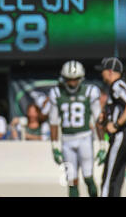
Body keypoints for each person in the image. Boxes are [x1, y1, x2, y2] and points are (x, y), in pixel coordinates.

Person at [46, 60, 104, 197]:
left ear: (81, 78)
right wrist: (54, 145)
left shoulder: (90, 91)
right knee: (71, 180)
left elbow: (98, 119)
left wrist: (103, 144)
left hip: (84, 137)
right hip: (66, 140)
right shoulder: (56, 93)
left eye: (75, 79)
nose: (72, 83)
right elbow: (53, 121)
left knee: (88, 177)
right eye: (69, 79)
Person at [96, 57, 126, 197]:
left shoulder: (117, 85)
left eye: (103, 71)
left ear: (110, 71)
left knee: (109, 178)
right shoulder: (122, 86)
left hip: (123, 135)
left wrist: (116, 124)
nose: (102, 74)